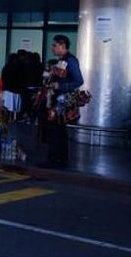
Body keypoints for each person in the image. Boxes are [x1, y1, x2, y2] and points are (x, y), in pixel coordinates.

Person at [43, 34, 84, 169]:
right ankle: (58, 159)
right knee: (58, 130)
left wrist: (60, 86)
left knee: (57, 130)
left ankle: (55, 160)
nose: (52, 48)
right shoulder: (61, 61)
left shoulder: (71, 61)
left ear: (62, 45)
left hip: (62, 101)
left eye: (54, 45)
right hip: (57, 99)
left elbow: (79, 81)